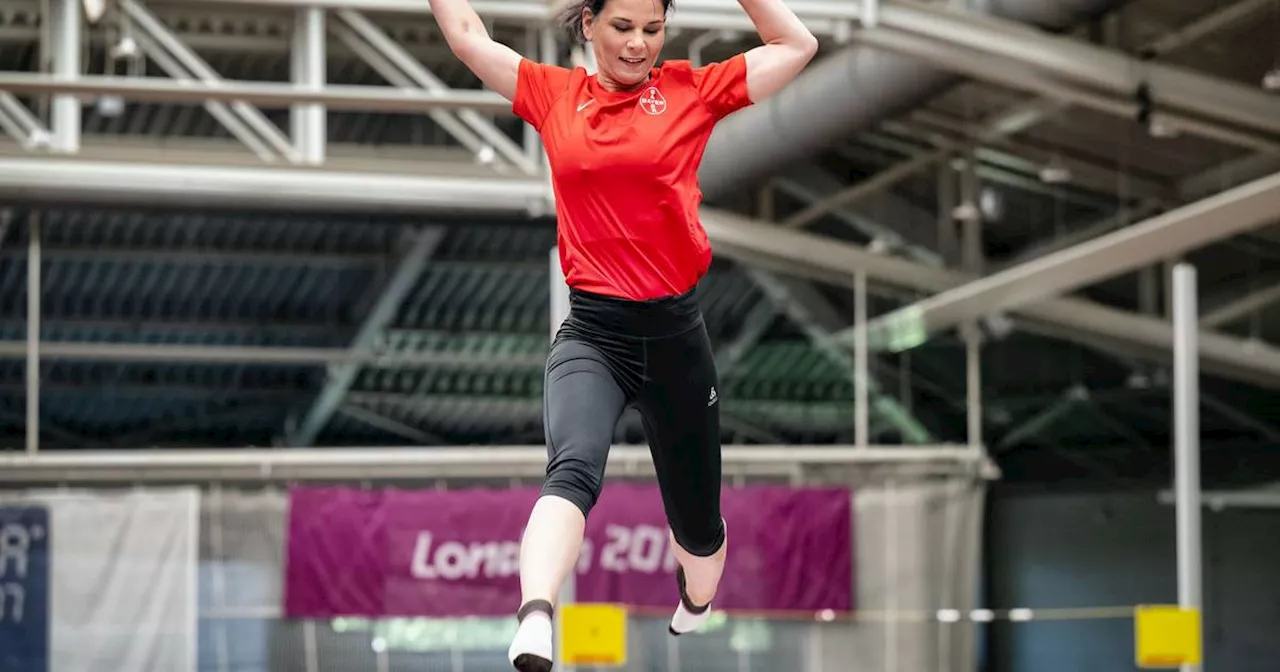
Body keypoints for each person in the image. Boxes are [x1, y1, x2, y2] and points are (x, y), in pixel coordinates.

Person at [426, 0, 816, 668]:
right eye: (623, 27)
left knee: (698, 533)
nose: (639, 45)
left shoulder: (692, 92)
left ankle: (694, 600)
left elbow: (797, 45)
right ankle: (535, 615)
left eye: (653, 30)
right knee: (572, 469)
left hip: (677, 342)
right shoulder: (553, 96)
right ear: (587, 24)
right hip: (593, 335)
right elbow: (466, 36)